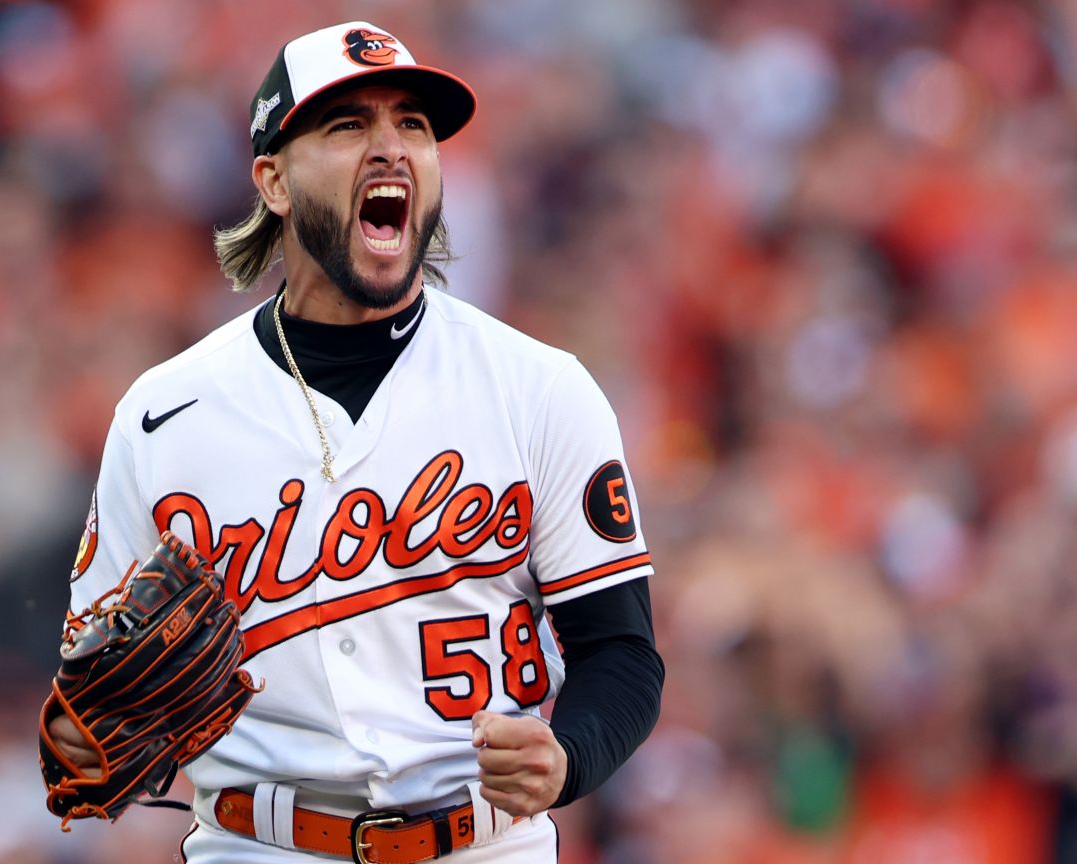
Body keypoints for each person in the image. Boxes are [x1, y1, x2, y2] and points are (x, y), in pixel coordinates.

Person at [46, 21, 664, 863]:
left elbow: (622, 653)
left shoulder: (537, 388)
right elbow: (98, 704)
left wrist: (570, 755)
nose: (392, 148)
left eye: (413, 124)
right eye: (348, 127)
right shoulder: (165, 414)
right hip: (256, 848)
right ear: (274, 182)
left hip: (484, 846)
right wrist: (91, 739)